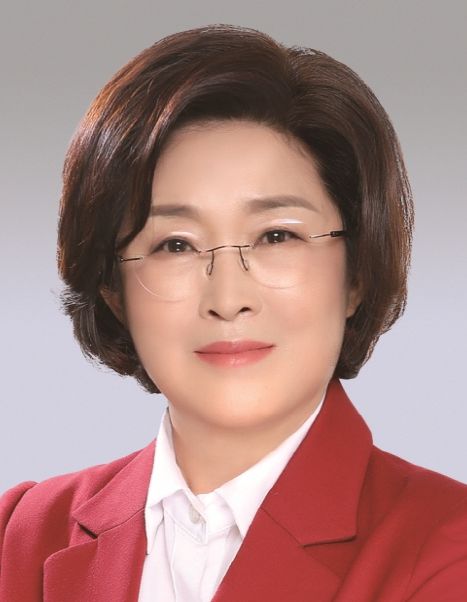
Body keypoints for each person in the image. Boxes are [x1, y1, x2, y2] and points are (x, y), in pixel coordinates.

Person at [1, 23, 466, 602]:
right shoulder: (21, 536)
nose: (228, 299)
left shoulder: (448, 550)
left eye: (277, 236)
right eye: (175, 245)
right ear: (113, 289)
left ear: (357, 273)